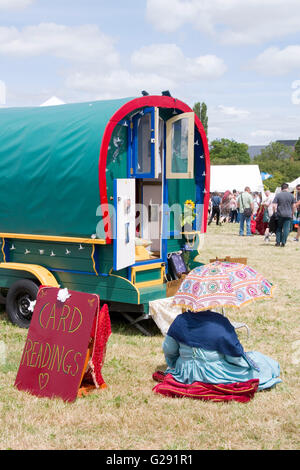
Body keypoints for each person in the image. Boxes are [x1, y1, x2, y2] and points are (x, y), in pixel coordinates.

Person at [160, 311, 281, 391]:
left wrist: (176, 364)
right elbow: (234, 357)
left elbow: (169, 350)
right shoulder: (220, 322)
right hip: (214, 374)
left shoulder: (180, 320)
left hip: (184, 373)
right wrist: (246, 365)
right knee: (259, 361)